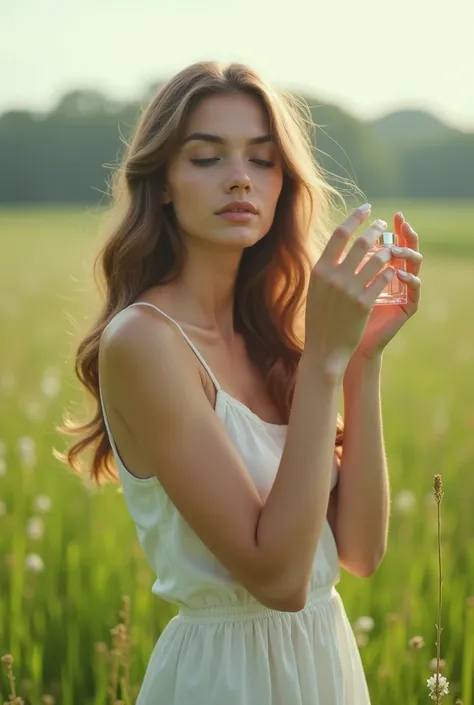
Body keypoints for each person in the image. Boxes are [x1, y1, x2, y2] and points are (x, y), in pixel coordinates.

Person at [57, 60, 422, 704]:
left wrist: (361, 359)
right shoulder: (145, 342)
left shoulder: (271, 337)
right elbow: (278, 581)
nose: (238, 180)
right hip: (227, 679)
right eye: (206, 158)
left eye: (261, 160)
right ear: (163, 182)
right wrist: (322, 367)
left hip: (324, 664)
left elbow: (359, 552)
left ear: (284, 182)